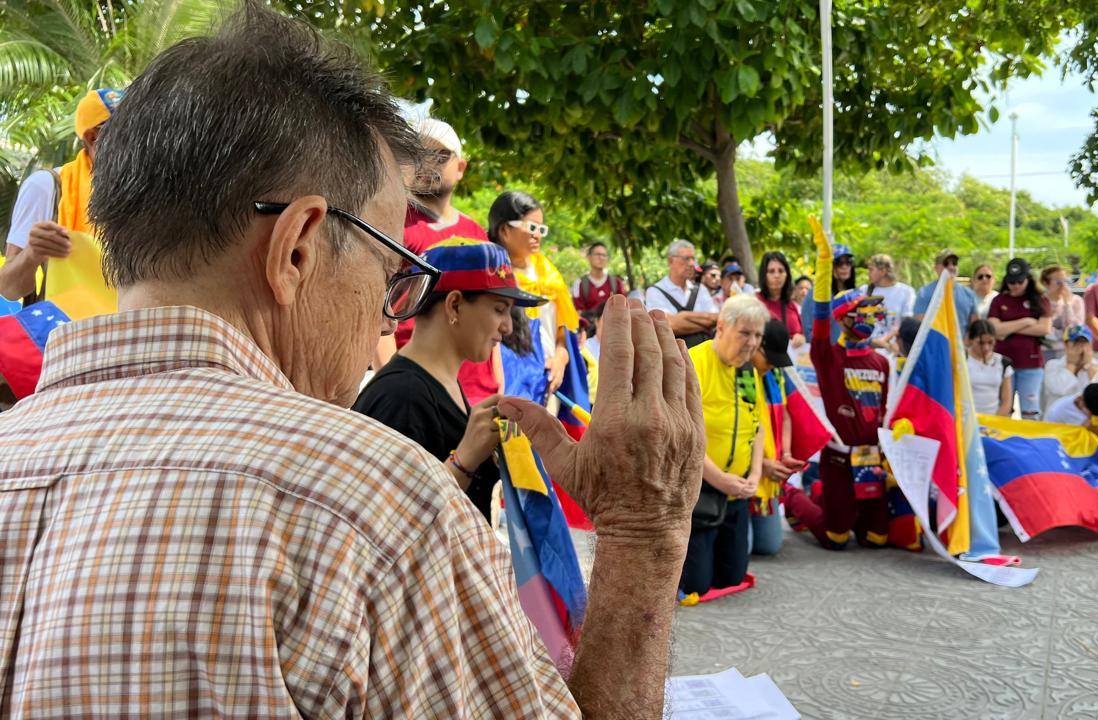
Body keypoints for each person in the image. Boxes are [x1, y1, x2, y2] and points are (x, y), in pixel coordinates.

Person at [0, 8, 708, 715]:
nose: (386, 312)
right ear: (298, 248)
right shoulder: (377, 501)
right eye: (392, 262)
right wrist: (645, 533)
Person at [354, 239, 544, 521]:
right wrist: (464, 460)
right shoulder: (402, 397)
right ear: (454, 305)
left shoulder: (440, 384)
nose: (508, 327)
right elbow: (390, 524)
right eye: (499, 309)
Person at [780, 218, 892, 550]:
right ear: (843, 319)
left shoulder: (881, 362)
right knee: (836, 538)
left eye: (873, 313)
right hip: (839, 458)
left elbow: (884, 409)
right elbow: (821, 313)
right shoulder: (828, 356)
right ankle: (794, 496)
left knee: (877, 538)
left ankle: (824, 496)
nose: (869, 319)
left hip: (871, 460)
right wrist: (824, 264)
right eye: (862, 312)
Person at [0, 88, 124, 302]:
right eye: (128, 132)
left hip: (124, 330)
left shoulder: (142, 193)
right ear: (92, 137)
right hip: (62, 329)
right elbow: (9, 289)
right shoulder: (47, 187)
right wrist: (32, 253)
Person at [682, 294, 768, 595]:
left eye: (758, 335)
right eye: (745, 332)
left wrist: (754, 475)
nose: (752, 343)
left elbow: (757, 427)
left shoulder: (747, 371)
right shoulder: (693, 363)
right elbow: (682, 437)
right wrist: (719, 479)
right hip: (700, 490)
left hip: (737, 493)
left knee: (731, 579)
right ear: (721, 327)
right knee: (697, 585)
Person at [391, 118, 488, 349]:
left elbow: (488, 305)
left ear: (461, 168)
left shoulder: (476, 233)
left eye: (440, 155)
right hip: (411, 367)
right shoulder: (391, 223)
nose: (427, 163)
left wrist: (496, 378)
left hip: (473, 375)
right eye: (417, 153)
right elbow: (374, 307)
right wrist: (390, 376)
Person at [489, 190, 579, 401]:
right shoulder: (492, 274)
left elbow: (563, 332)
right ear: (504, 230)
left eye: (541, 229)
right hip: (508, 383)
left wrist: (560, 358)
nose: (537, 235)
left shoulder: (550, 274)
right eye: (531, 227)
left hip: (548, 382)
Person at [750, 319, 804, 556]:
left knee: (769, 545)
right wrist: (760, 464)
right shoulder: (736, 373)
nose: (771, 365)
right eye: (768, 359)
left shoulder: (776, 376)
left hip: (769, 471)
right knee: (745, 550)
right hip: (740, 473)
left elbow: (785, 417)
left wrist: (787, 455)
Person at [987, 257, 1052, 420]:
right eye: (1011, 282)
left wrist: (1007, 328)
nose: (1015, 286)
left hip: (1030, 364)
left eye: (1019, 282)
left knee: (1030, 411)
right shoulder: (999, 300)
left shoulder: (1040, 301)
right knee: (1004, 408)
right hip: (1004, 363)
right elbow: (995, 329)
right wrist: (1025, 322)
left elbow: (1044, 328)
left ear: (1028, 280)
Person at [647, 239, 719, 347]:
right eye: (686, 259)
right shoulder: (655, 291)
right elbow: (668, 325)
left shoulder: (700, 290)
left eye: (693, 259)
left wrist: (682, 316)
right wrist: (705, 325)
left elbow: (716, 318)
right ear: (670, 261)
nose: (691, 264)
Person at [1044, 383, 1098, 458]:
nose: (1095, 419)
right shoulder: (1058, 411)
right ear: (1080, 400)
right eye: (1092, 415)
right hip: (1068, 451)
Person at [1042, 325, 1098, 411]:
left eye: (1084, 343)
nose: (1081, 348)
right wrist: (1071, 364)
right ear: (1066, 345)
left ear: (1091, 345)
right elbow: (1058, 389)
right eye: (1076, 343)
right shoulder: (1053, 365)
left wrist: (1089, 366)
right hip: (1059, 418)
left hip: (1087, 418)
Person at [914, 248, 977, 334]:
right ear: (936, 268)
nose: (951, 267)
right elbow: (919, 323)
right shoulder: (924, 293)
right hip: (936, 345)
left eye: (954, 263)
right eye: (946, 264)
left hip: (961, 346)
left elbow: (974, 325)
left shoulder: (969, 294)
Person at [865, 253, 916, 359]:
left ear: (883, 271)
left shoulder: (906, 292)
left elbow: (906, 324)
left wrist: (883, 341)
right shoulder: (864, 291)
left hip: (892, 351)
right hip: (867, 350)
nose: (868, 273)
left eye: (871, 269)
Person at [755, 250, 805, 347]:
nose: (777, 275)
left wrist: (801, 338)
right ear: (764, 275)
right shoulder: (755, 302)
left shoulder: (792, 305)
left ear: (787, 275)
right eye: (771, 271)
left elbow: (802, 334)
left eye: (781, 271)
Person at [966, 319, 1013, 417]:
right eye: (980, 343)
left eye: (990, 342)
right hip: (965, 419)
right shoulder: (961, 360)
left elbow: (1007, 400)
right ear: (970, 340)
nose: (986, 348)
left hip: (993, 420)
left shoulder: (1003, 362)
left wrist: (995, 421)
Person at [1042, 264, 1084, 361]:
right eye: (1058, 282)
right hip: (1043, 351)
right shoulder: (1039, 302)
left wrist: (1067, 305)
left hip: (1068, 351)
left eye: (1066, 281)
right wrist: (1060, 333)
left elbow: (1074, 330)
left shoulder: (1076, 301)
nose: (1063, 285)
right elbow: (1041, 330)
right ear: (1045, 283)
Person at [572, 241, 628, 312]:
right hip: (590, 322)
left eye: (604, 255)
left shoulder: (616, 282)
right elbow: (579, 311)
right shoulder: (579, 284)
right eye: (597, 254)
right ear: (589, 257)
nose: (601, 258)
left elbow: (623, 308)